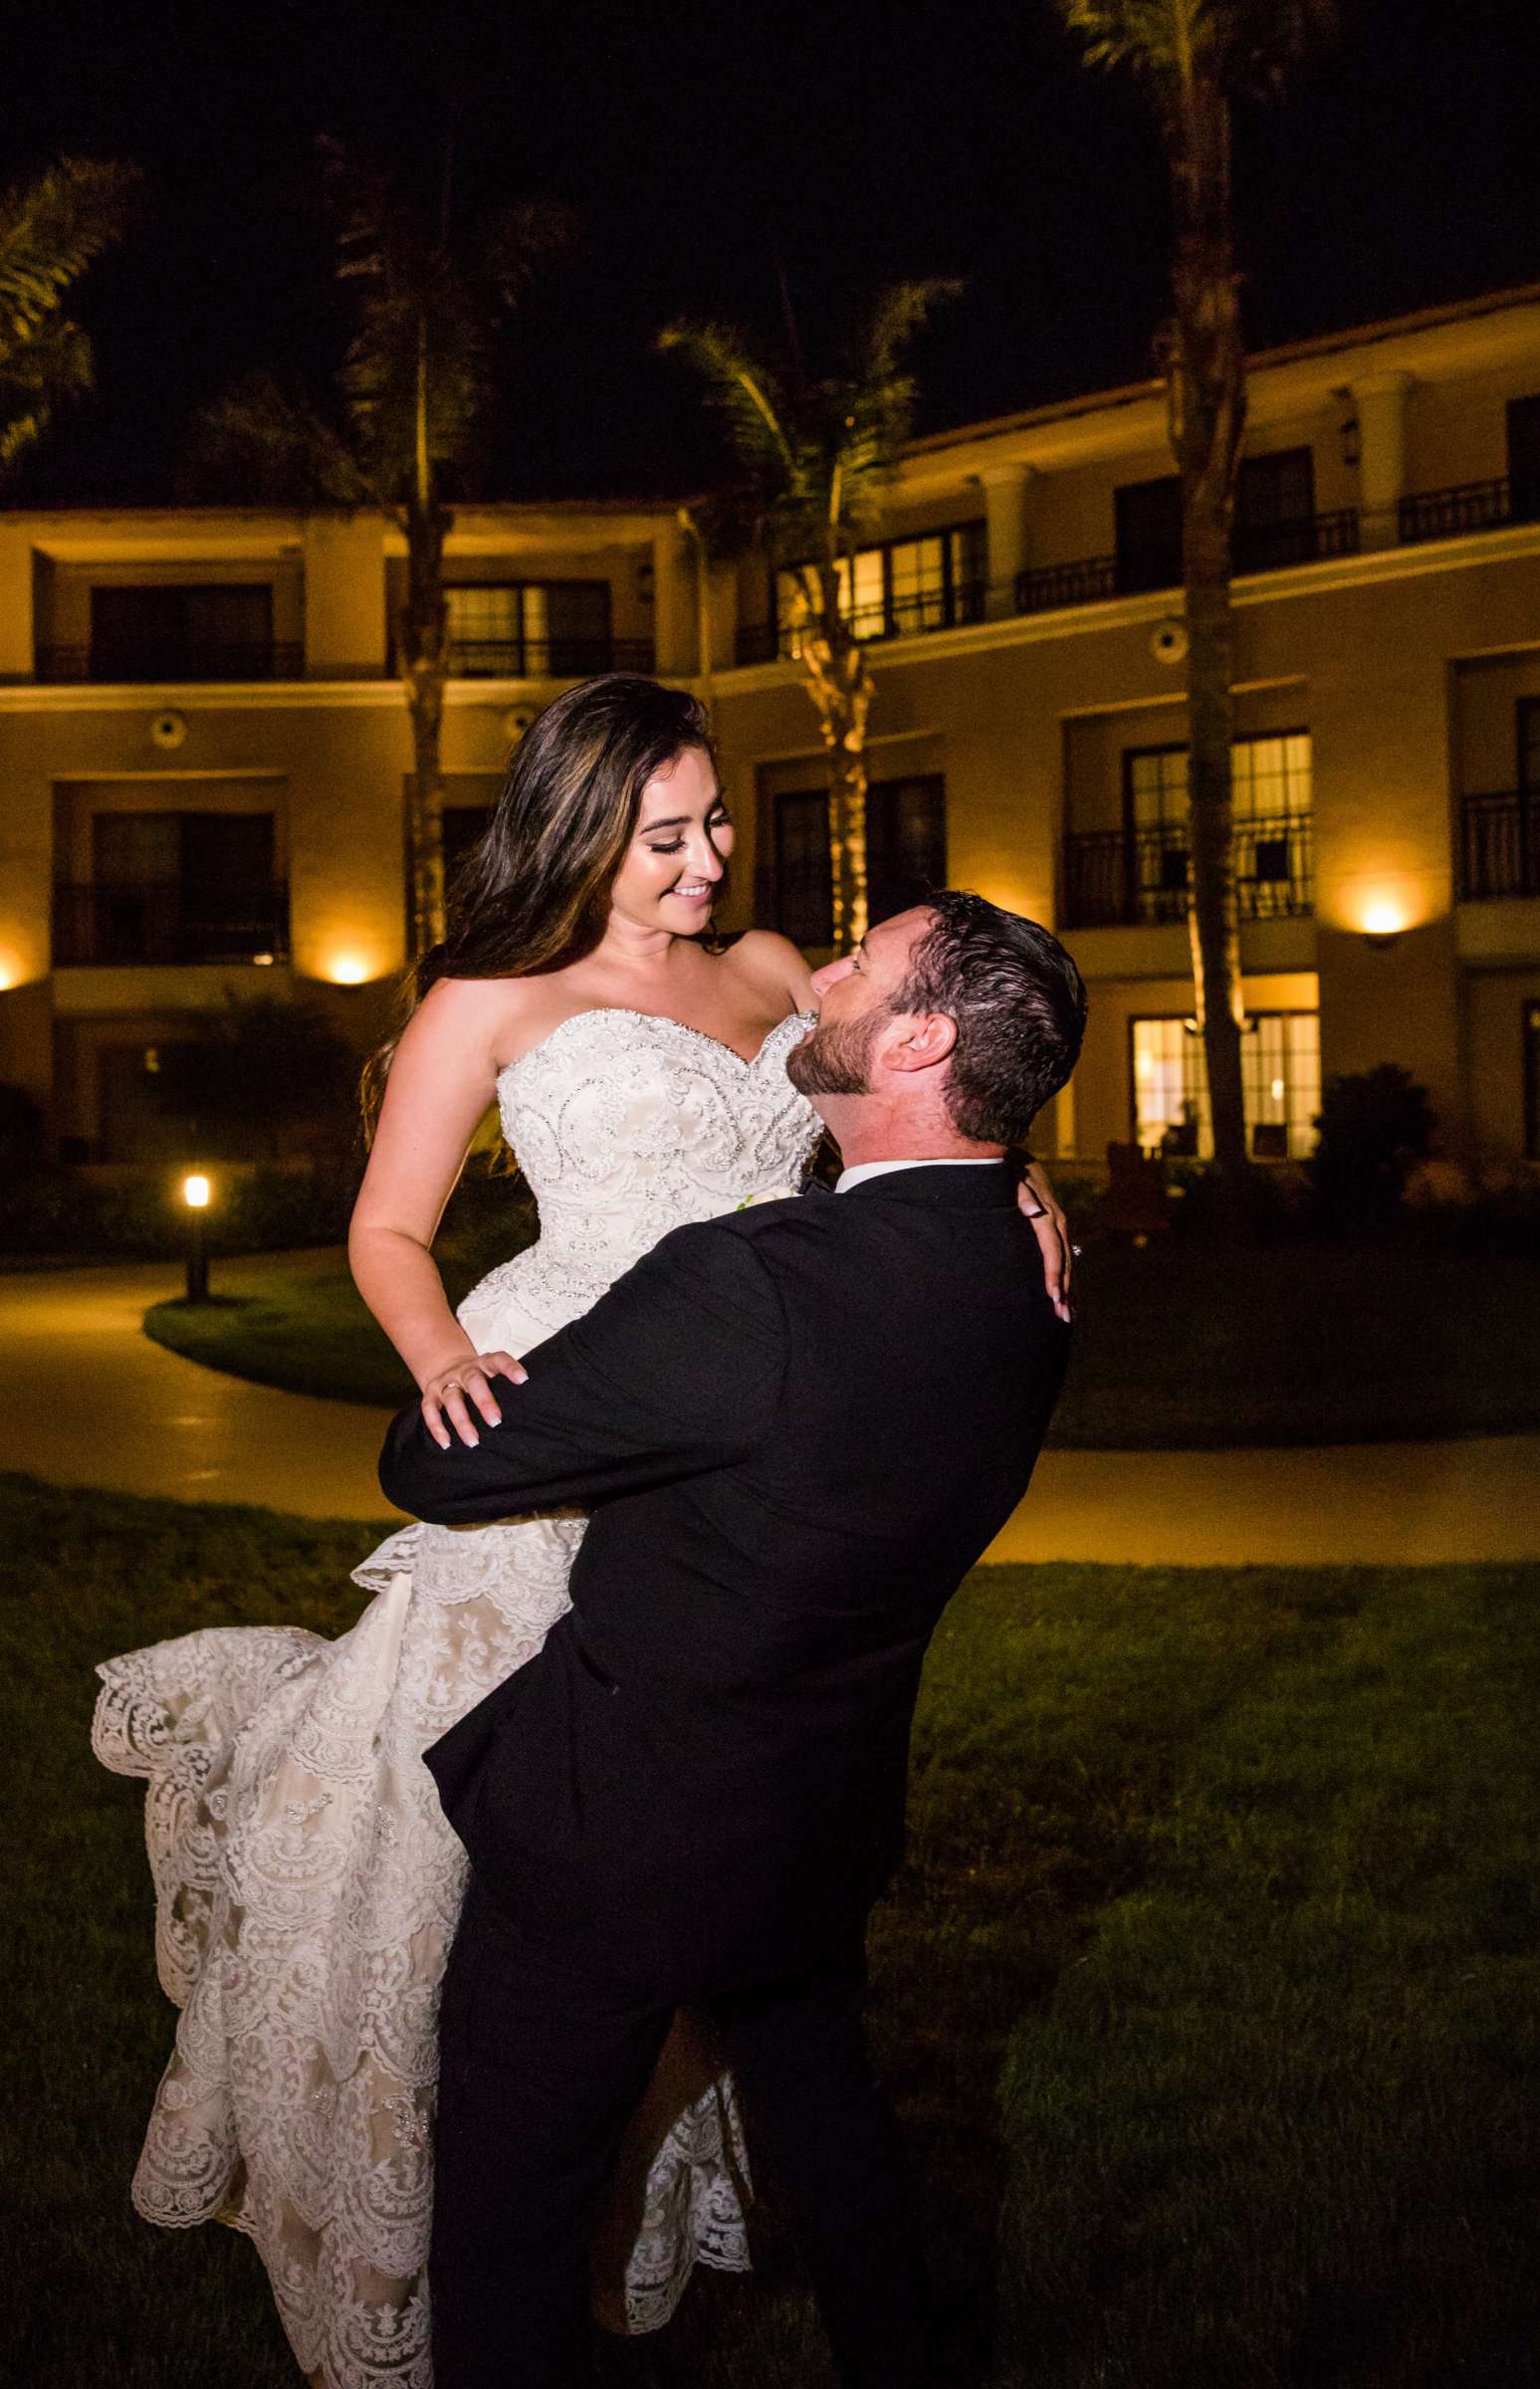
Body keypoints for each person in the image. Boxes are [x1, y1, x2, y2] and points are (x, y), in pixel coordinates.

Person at [92, 676, 1072, 2389]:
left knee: (670, 1809)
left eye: (714, 827)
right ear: (579, 829)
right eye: (666, 836)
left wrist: (1021, 1185)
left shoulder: (777, 973)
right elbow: (388, 1228)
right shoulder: (492, 992)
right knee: (490, 1851)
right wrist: (446, 1358)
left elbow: (902, 1116)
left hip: (755, 1419)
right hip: (566, 1403)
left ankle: (586, 2171)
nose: (707, 866)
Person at [380, 890, 1089, 2389]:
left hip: (621, 1829)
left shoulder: (751, 1286)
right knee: (831, 2123)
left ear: (921, 1041)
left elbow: (437, 1466)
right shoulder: (1027, 1289)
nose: (814, 976)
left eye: (860, 970)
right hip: (822, 1815)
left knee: (510, 2204)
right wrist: (1020, 1181)